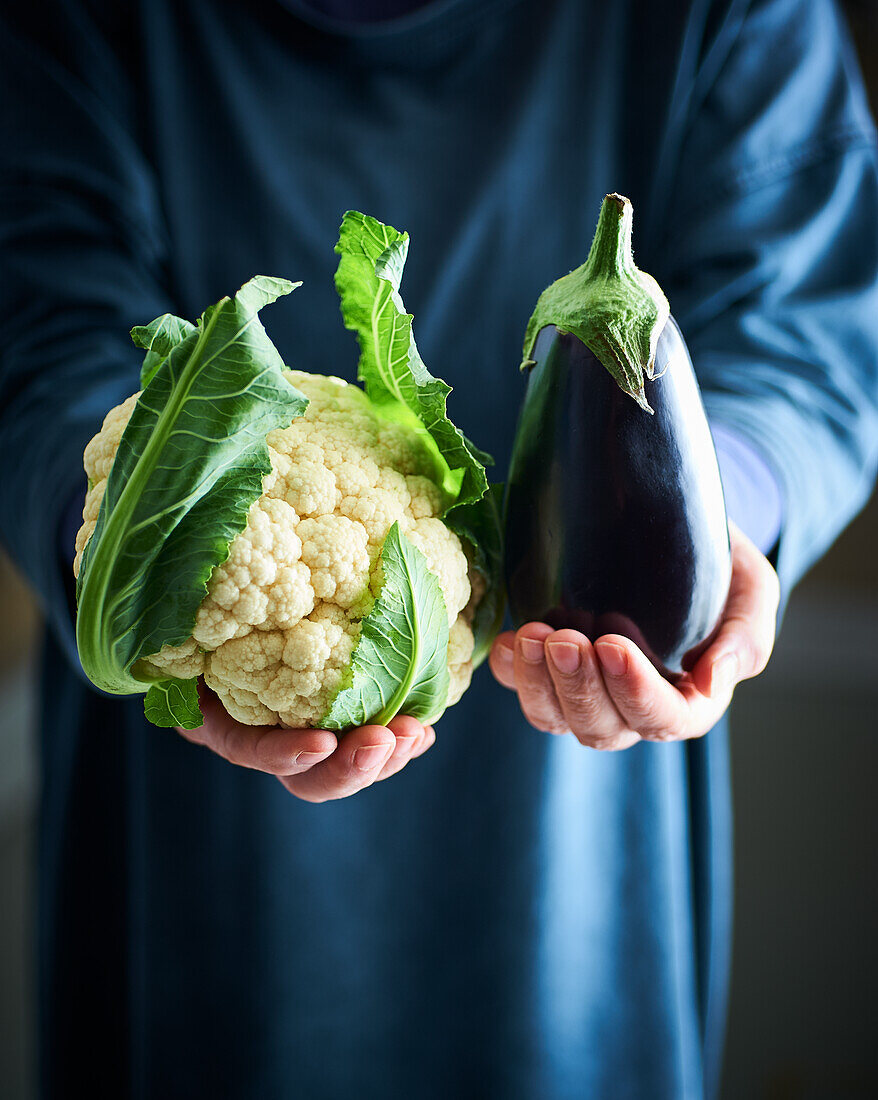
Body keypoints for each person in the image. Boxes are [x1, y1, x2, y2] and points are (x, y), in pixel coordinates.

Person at [1, 0, 876, 1096]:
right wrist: (133, 551)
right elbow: (35, 327)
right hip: (186, 859)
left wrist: (706, 534)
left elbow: (803, 330)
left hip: (579, 833)